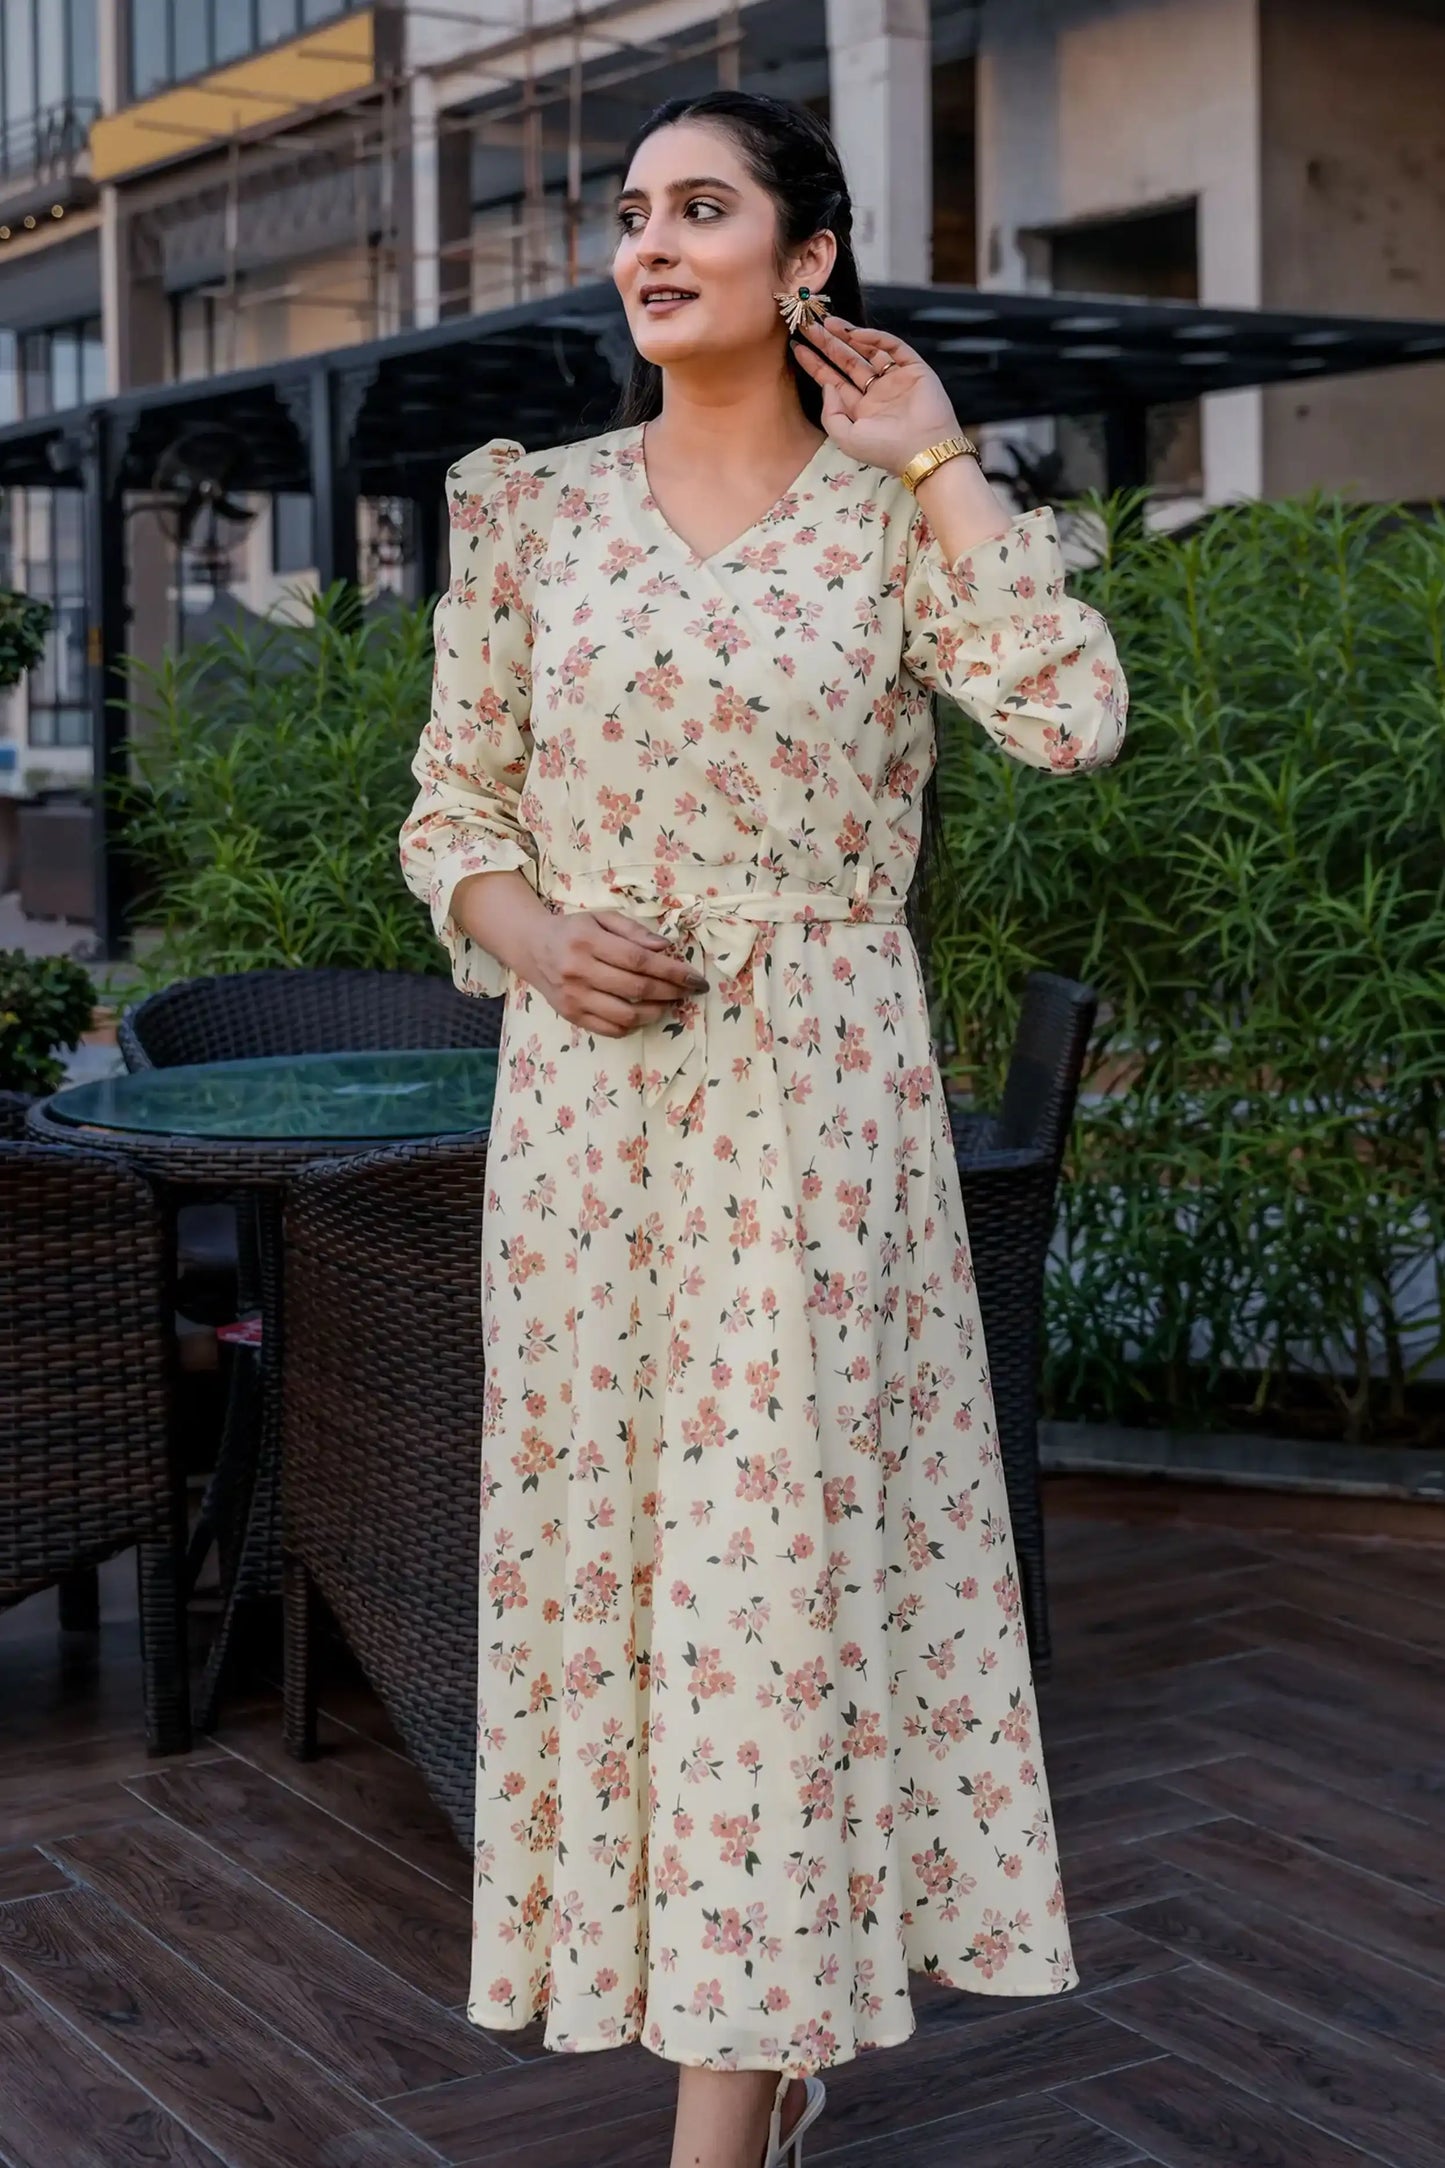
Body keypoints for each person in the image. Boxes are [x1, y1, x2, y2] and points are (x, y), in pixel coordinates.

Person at [399, 87, 1127, 2168]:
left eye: (700, 209)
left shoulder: (896, 515)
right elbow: (452, 811)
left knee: (768, 1586)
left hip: (814, 1122)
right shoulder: (527, 509)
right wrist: (529, 926)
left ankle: (720, 2123)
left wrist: (942, 464)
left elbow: (1071, 721)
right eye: (630, 213)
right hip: (590, 1125)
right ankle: (758, 2026)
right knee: (627, 1576)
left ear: (807, 258)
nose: (649, 242)